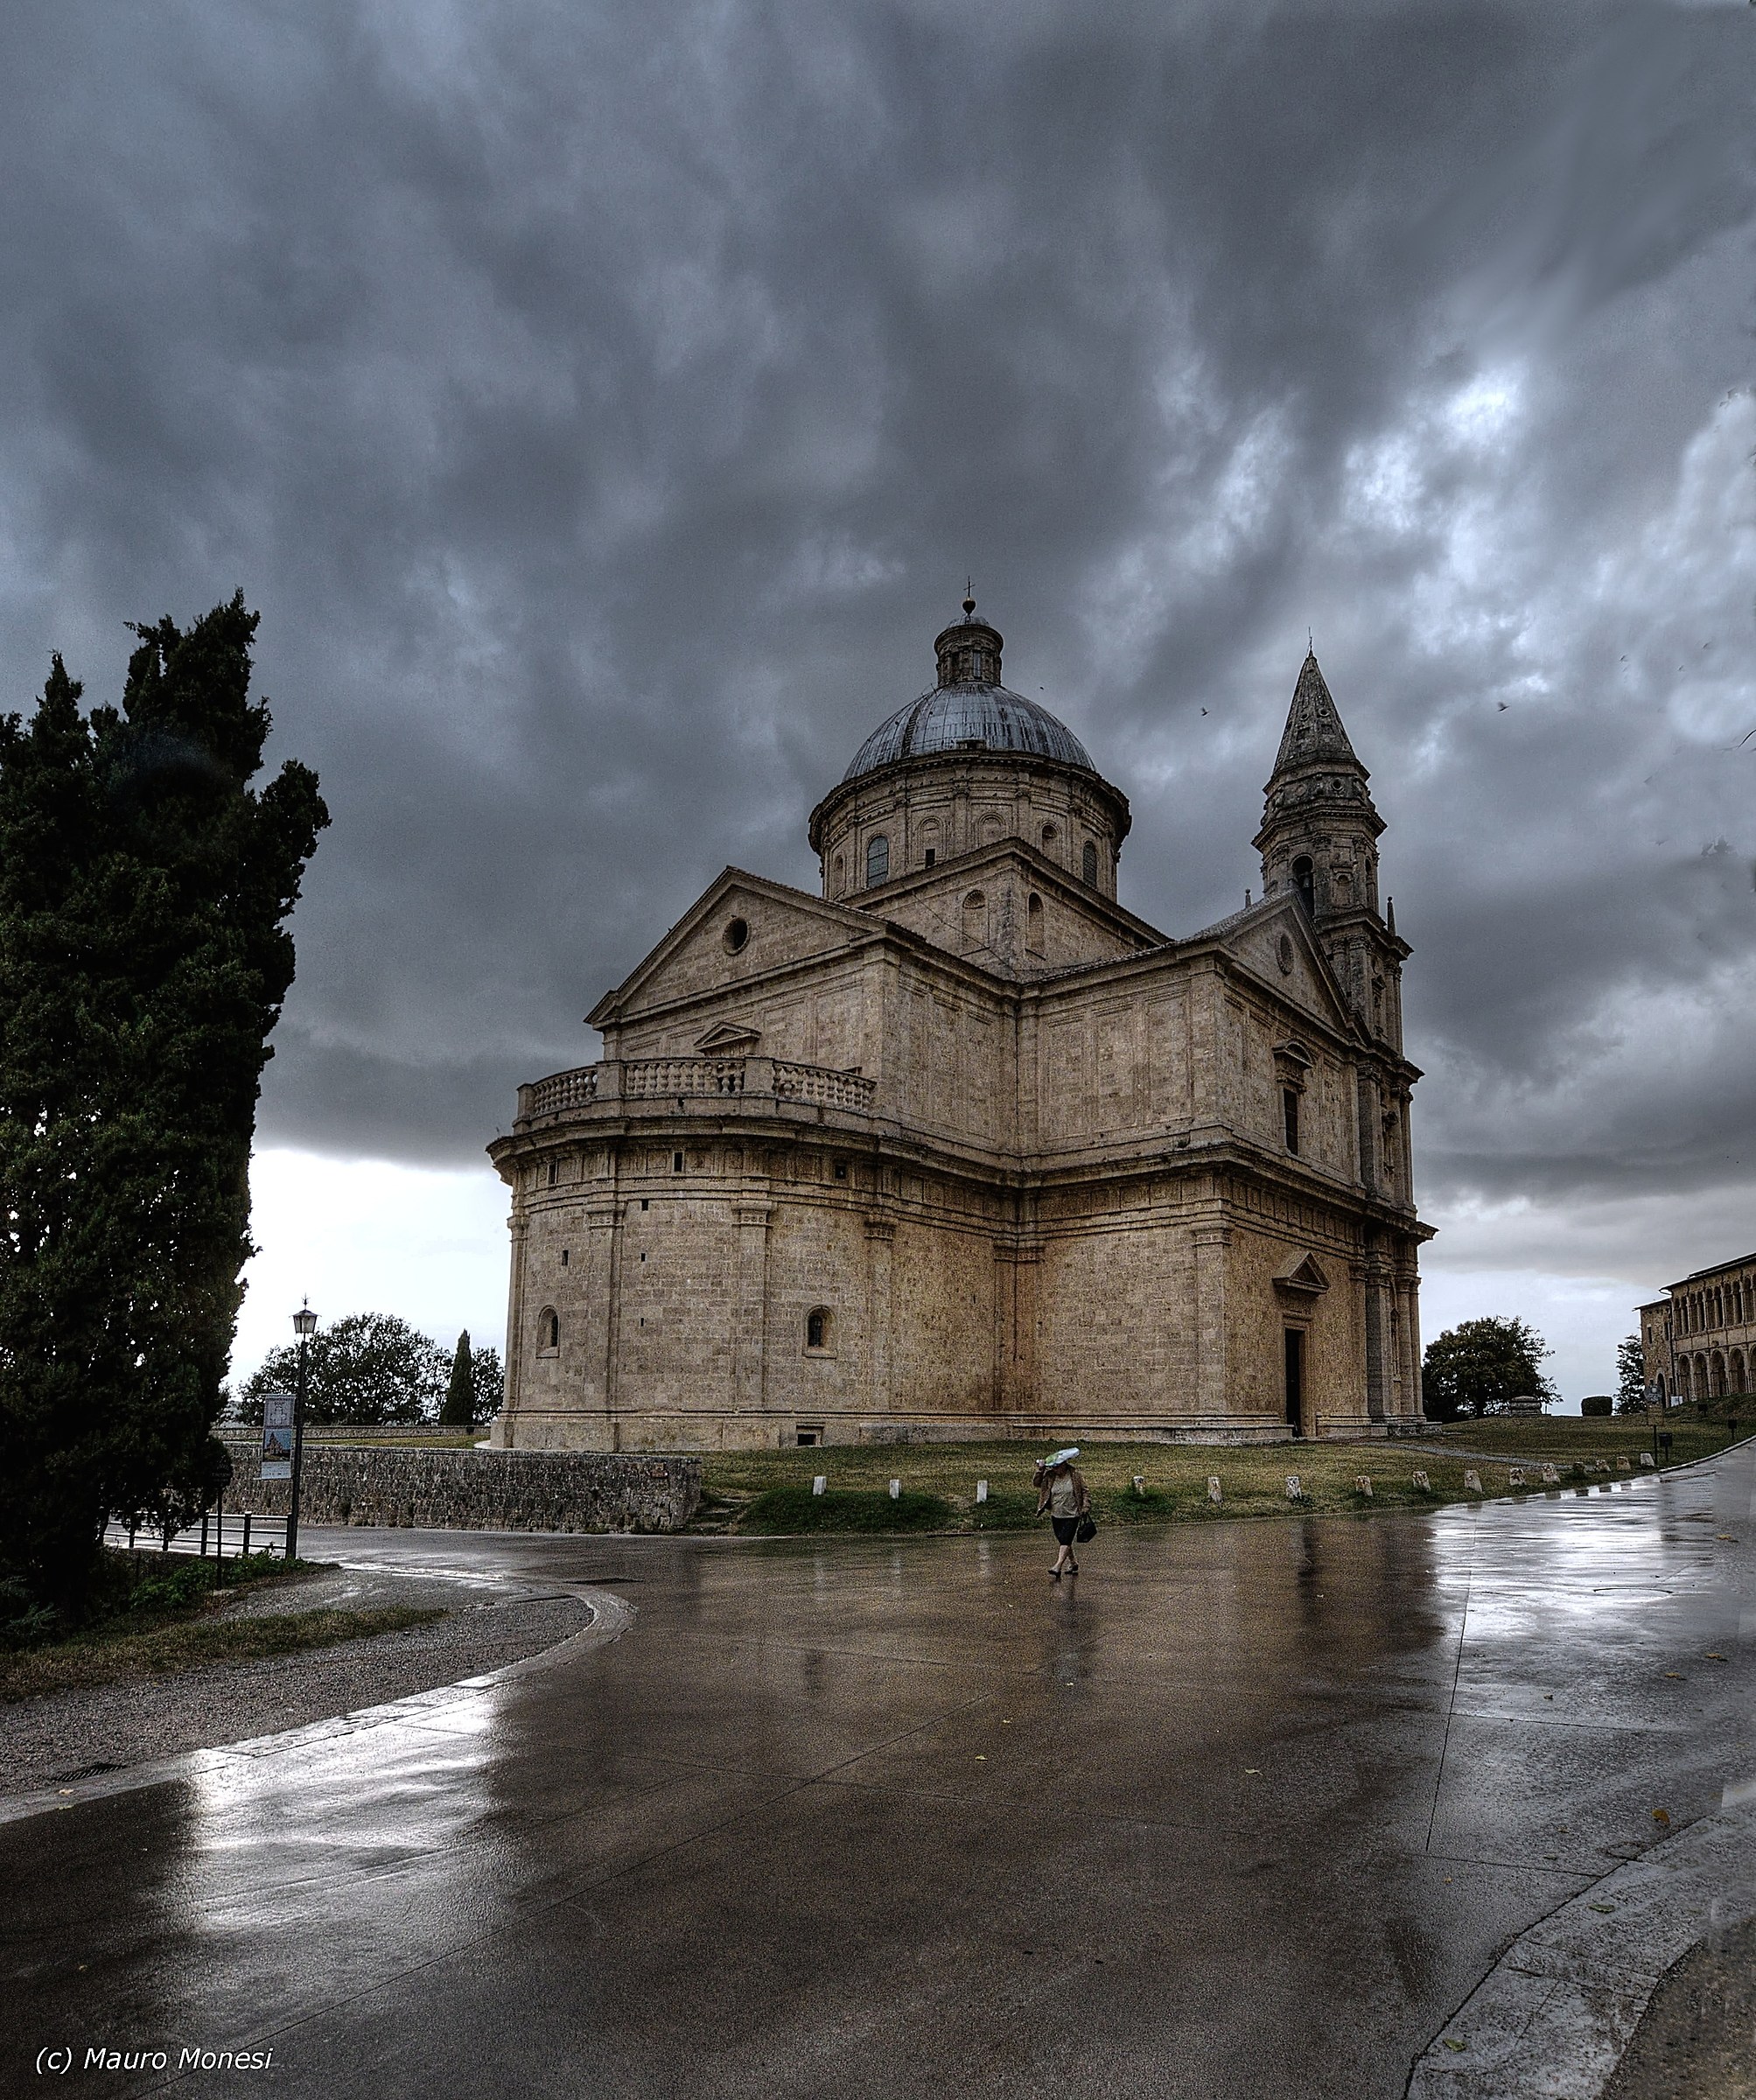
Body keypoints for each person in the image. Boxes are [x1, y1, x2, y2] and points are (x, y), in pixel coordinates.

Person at [1034, 1447, 1089, 1579]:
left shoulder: (1075, 1475)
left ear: (1064, 1464)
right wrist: (1040, 1470)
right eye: (1053, 1467)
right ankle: (1073, 1563)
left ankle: (1057, 1566)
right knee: (1063, 1540)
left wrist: (1085, 1507)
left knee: (1065, 1539)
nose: (1055, 1469)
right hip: (1057, 1513)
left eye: (1057, 1467)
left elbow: (1085, 1491)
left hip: (1073, 1514)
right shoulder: (1050, 1476)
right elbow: (1036, 1483)